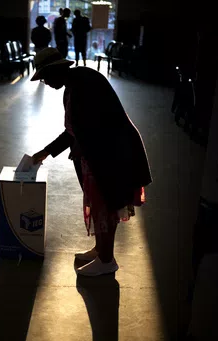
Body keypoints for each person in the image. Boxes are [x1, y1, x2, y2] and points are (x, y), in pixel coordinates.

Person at [30, 48, 152, 276]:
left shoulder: (84, 86)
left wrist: (85, 161)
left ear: (55, 70)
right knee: (100, 206)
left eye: (45, 77)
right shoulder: (75, 83)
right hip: (104, 154)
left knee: (106, 206)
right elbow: (74, 131)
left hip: (112, 155)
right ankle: (101, 250)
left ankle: (107, 260)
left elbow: (92, 132)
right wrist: (46, 151)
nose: (45, 83)